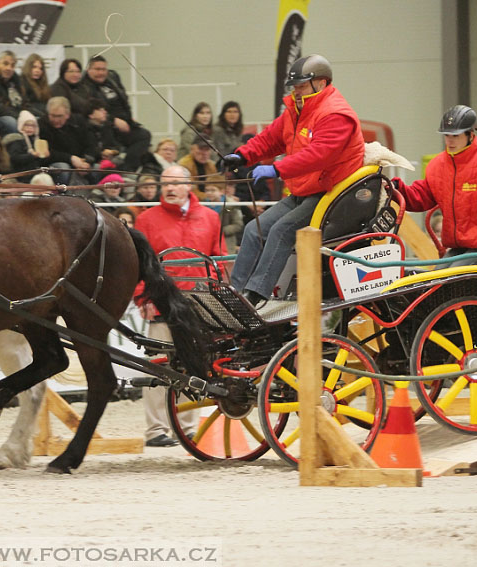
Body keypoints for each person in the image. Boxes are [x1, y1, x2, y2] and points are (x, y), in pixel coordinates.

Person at [224, 54, 364, 306]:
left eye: (301, 86)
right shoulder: (296, 110)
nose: (296, 91)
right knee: (253, 230)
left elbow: (318, 155)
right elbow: (270, 138)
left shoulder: (336, 114)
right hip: (304, 190)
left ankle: (254, 296)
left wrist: (277, 169)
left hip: (330, 193)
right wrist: (242, 155)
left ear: (320, 83)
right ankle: (235, 292)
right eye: (294, 87)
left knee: (281, 230)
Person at [134, 165, 224, 447]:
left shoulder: (210, 217)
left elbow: (217, 260)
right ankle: (156, 430)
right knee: (157, 366)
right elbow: (138, 264)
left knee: (192, 364)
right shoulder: (146, 219)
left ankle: (187, 426)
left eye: (175, 183)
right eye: (165, 184)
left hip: (198, 303)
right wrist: (142, 298)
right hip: (160, 303)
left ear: (189, 185)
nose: (169, 189)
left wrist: (216, 294)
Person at [391, 105, 477, 267]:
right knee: (437, 279)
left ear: (470, 134)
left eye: (455, 135)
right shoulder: (437, 166)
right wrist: (395, 188)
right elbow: (420, 198)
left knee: (452, 280)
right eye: (446, 135)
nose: (450, 140)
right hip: (458, 244)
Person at [80, 55, 151, 171]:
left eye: (104, 69)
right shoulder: (84, 86)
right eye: (97, 69)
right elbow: (91, 110)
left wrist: (129, 118)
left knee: (143, 135)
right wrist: (113, 120)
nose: (101, 73)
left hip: (124, 122)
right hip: (105, 126)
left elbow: (124, 99)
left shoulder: (112, 78)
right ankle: (125, 170)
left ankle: (128, 170)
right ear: (88, 70)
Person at [37, 96, 96, 186]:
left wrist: (86, 162)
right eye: (52, 115)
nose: (56, 120)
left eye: (59, 116)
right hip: (56, 162)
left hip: (81, 161)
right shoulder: (41, 125)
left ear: (68, 114)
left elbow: (90, 144)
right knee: (63, 168)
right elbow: (47, 153)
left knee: (97, 168)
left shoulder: (79, 122)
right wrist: (70, 158)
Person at [203, 183, 244, 253]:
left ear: (221, 191)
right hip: (206, 243)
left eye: (213, 190)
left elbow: (238, 225)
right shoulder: (202, 205)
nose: (209, 193)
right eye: (207, 190)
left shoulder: (231, 205)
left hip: (226, 243)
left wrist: (220, 231)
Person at [19, 53, 51, 117]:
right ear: (28, 67)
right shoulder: (21, 82)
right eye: (34, 67)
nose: (37, 71)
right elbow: (25, 106)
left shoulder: (43, 84)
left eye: (40, 68)